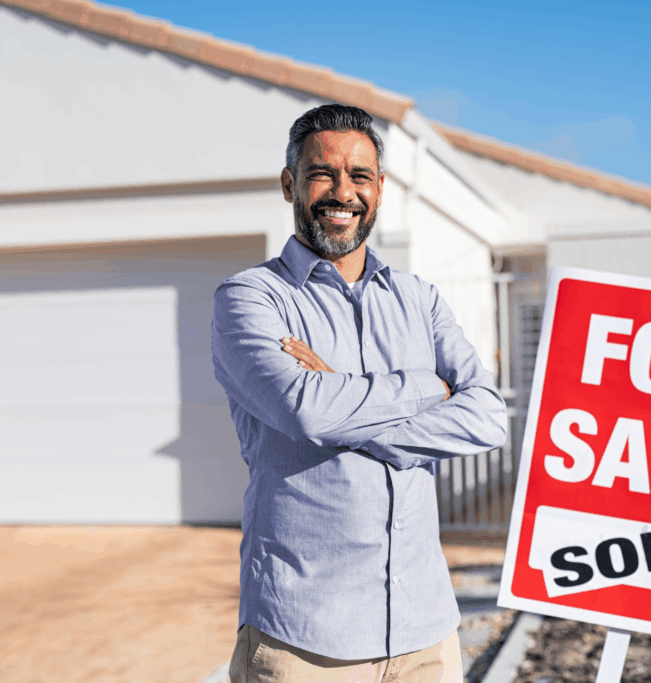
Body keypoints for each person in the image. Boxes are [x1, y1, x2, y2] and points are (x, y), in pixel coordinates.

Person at [211, 104, 508, 682]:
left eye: (361, 176)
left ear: (378, 190)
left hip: (427, 637)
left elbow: (488, 416)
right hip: (305, 645)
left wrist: (342, 398)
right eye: (323, 173)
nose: (342, 191)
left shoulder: (418, 299)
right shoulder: (249, 299)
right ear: (289, 184)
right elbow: (308, 412)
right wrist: (430, 388)